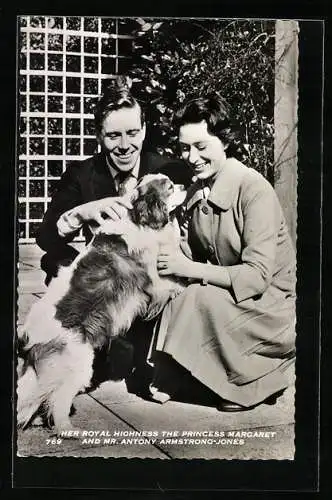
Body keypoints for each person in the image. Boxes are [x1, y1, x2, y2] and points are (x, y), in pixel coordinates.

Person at [35, 76, 192, 391]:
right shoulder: (80, 176)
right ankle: (76, 349)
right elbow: (46, 240)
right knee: (59, 267)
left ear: (144, 131)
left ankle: (150, 357)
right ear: (99, 135)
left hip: (150, 288)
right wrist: (84, 211)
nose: (124, 146)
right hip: (103, 294)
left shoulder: (170, 170)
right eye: (113, 135)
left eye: (133, 133)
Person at [150, 93, 296, 411]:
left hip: (269, 309)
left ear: (225, 141)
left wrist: (190, 270)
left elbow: (257, 278)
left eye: (201, 147)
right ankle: (201, 371)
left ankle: (256, 380)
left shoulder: (254, 190)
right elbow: (183, 253)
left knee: (196, 295)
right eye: (185, 148)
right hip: (231, 298)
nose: (191, 157)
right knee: (175, 292)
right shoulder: (195, 190)